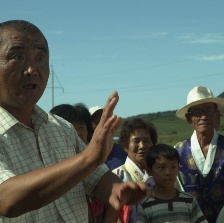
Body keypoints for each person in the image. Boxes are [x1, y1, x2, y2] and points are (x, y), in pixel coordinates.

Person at [0, 20, 149, 223]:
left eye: (40, 57)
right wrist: (88, 158)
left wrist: (119, 190)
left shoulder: (61, 128)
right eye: (18, 57)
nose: (32, 69)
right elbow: (6, 199)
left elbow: (96, 179)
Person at [50, 103, 109, 223]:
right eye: (68, 126)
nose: (75, 132)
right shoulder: (47, 168)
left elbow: (112, 204)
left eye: (81, 127)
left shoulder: (96, 166)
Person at [175, 86, 224, 223]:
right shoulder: (177, 152)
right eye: (197, 112)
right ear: (189, 118)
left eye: (209, 110)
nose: (204, 117)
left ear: (217, 115)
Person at [137, 144, 207, 223]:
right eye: (162, 167)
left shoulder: (189, 201)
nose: (168, 172)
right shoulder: (145, 205)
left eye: (173, 167)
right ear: (149, 171)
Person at [113, 118, 158, 223]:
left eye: (146, 141)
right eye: (136, 141)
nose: (142, 146)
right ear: (125, 146)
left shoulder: (162, 174)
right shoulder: (116, 176)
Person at [89, 106, 127, 170]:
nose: (103, 126)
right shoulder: (83, 153)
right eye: (97, 123)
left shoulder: (123, 151)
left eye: (105, 122)